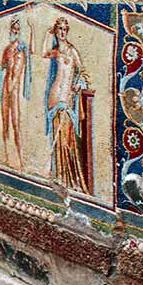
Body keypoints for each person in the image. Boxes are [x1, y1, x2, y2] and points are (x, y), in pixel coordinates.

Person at [42, 16, 90, 194]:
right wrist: (47, 35)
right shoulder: (55, 51)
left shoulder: (72, 51)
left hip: (67, 96)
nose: (62, 32)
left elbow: (82, 71)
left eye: (64, 29)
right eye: (59, 29)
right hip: (55, 96)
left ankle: (70, 177)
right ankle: (59, 175)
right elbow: (42, 53)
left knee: (67, 137)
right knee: (56, 134)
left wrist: (79, 84)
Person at [0, 16, 31, 168]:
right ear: (10, 30)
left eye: (17, 30)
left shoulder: (20, 51)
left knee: (15, 124)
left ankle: (21, 160)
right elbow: (2, 66)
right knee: (5, 123)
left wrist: (11, 88)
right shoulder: (7, 50)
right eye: (13, 30)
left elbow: (17, 74)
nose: (15, 32)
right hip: (5, 86)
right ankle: (7, 156)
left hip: (14, 89)